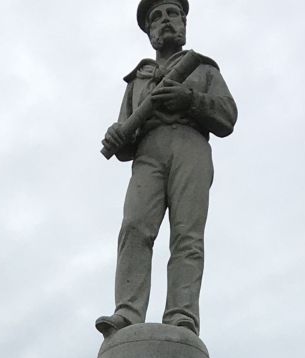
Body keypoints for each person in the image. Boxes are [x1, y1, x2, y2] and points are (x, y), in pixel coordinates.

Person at [96, 0, 237, 339]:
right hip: (149, 152)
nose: (165, 21)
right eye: (156, 18)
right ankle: (127, 313)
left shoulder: (202, 69)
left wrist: (189, 100)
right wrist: (117, 135)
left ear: (184, 22)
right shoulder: (138, 79)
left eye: (172, 13)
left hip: (190, 145)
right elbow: (126, 137)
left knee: (187, 234)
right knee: (134, 227)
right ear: (149, 33)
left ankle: (182, 315)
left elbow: (227, 117)